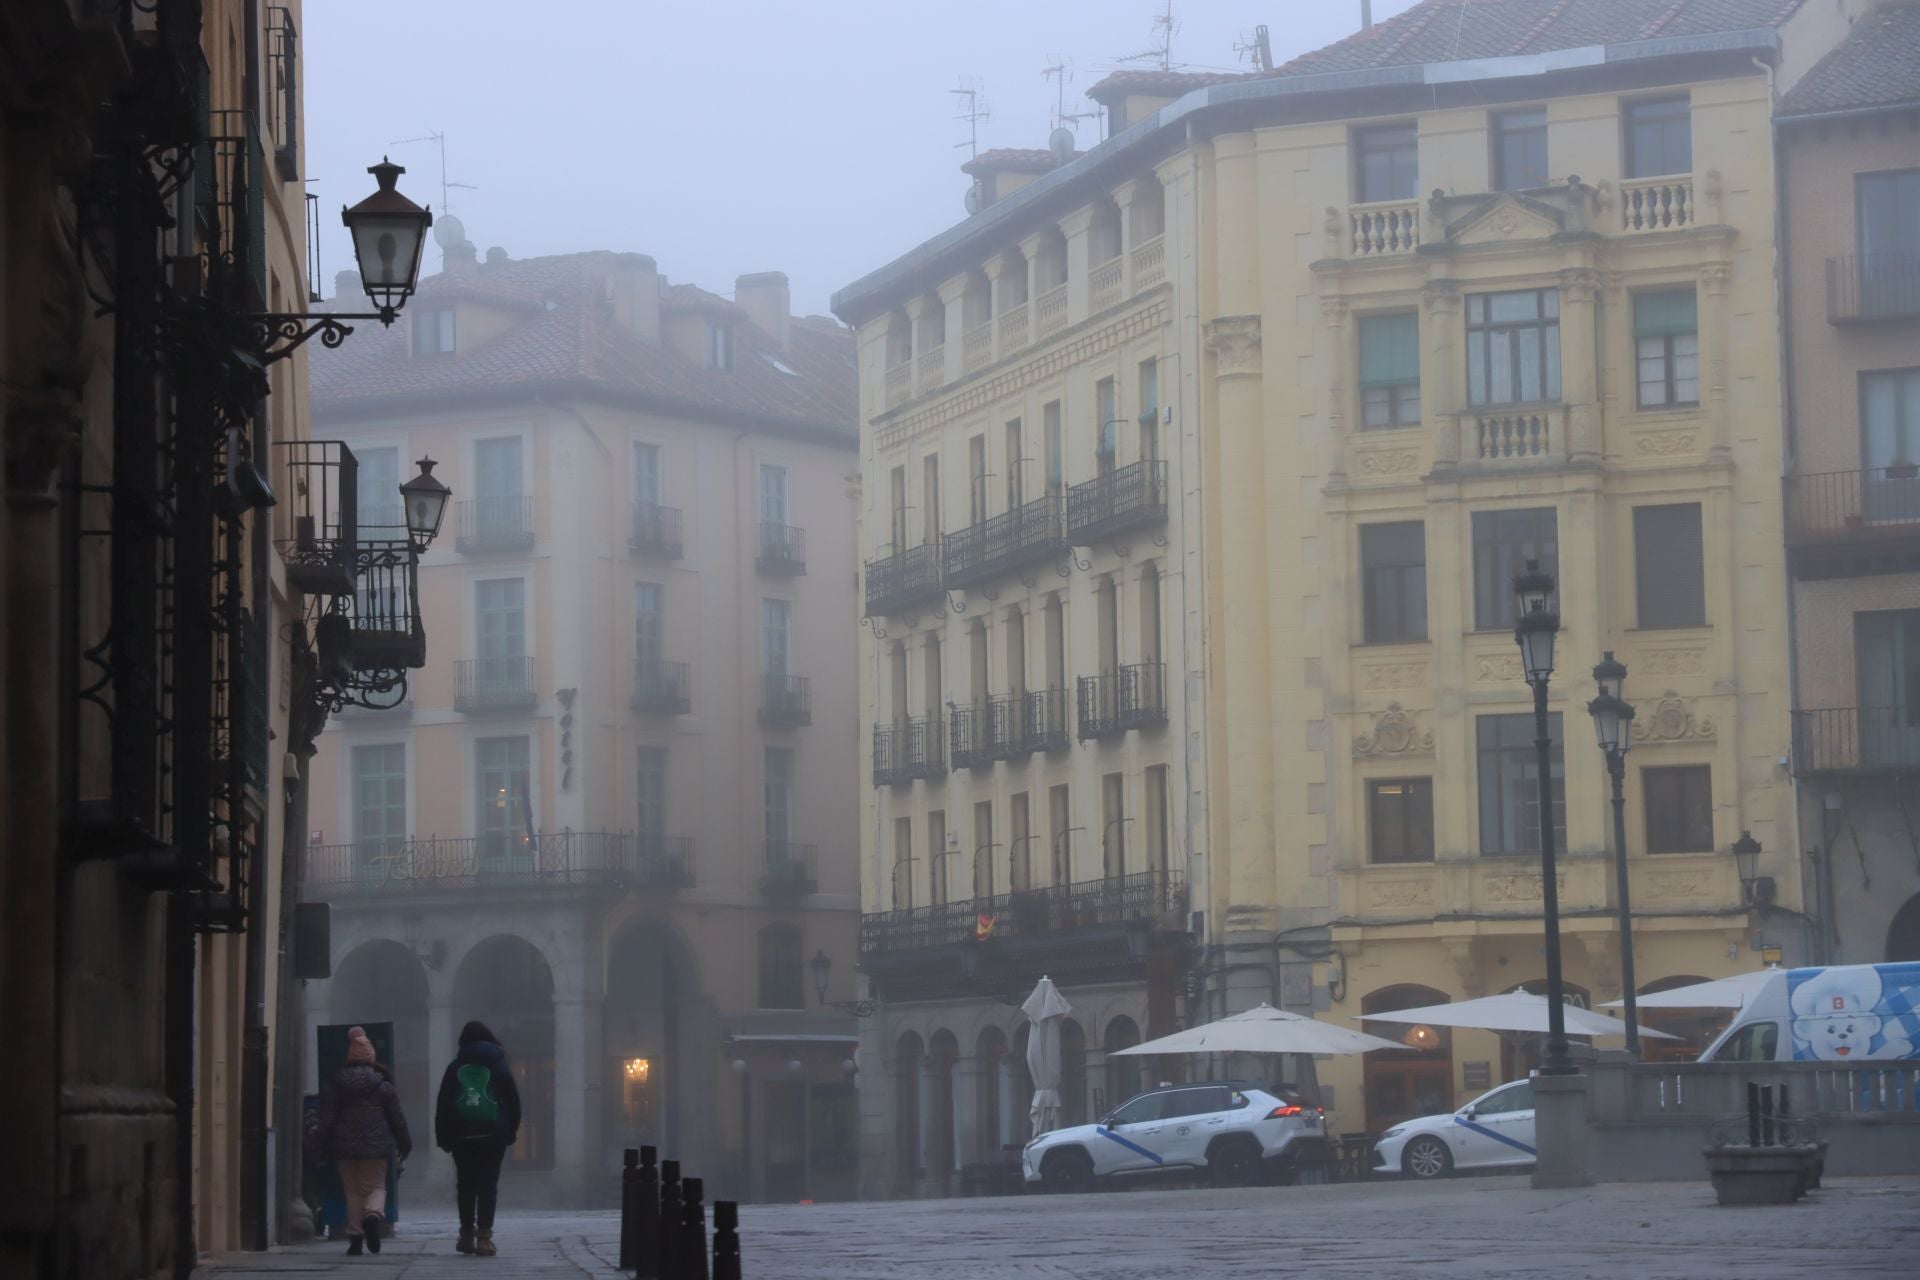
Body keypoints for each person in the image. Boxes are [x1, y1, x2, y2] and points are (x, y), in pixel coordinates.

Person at [313, 1026, 411, 1256]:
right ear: (371, 1058)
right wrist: (405, 1143)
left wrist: (318, 1144)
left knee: (352, 1192)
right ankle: (373, 1216)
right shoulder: (383, 1085)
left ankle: (355, 1239)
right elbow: (397, 1119)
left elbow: (326, 1119)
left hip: (344, 1147)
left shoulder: (336, 1084)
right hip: (376, 1147)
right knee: (375, 1187)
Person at [435, 1020, 521, 1257]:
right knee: (488, 1186)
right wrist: (511, 1130)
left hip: (462, 1133)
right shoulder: (499, 1064)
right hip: (493, 1134)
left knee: (465, 1186)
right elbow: (513, 1100)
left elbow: (443, 1104)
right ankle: (484, 1238)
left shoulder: (455, 1067)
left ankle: (465, 1236)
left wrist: (443, 1136)